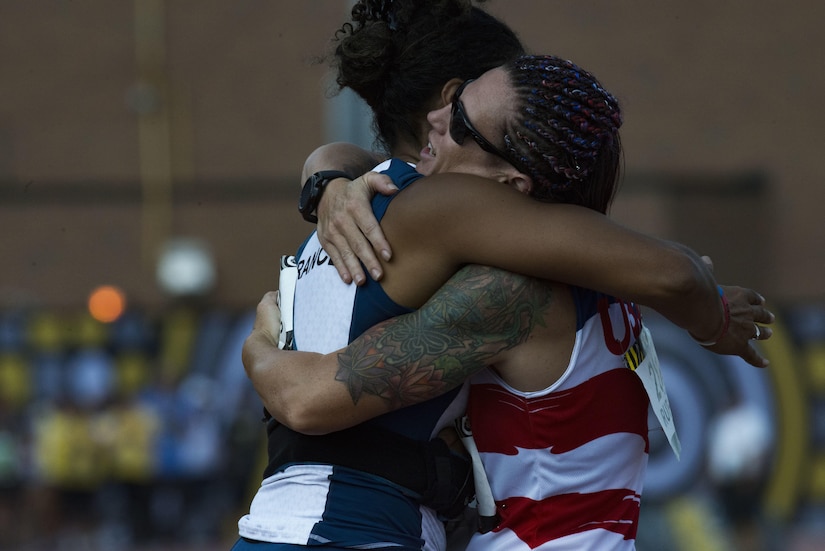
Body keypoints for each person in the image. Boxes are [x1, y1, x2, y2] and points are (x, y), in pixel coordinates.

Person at [235, 3, 772, 551]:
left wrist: (258, 345)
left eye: (460, 118)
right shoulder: (591, 266)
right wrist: (324, 174)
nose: (437, 121)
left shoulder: (506, 285)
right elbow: (677, 272)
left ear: (512, 185)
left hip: (326, 528)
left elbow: (305, 400)